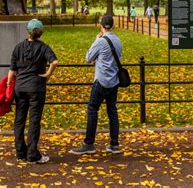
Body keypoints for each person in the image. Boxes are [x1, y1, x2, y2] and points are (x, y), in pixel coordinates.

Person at [7, 19, 58, 163]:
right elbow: (54, 62)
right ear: (41, 32)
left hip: (20, 88)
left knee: (19, 120)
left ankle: (20, 152)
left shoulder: (18, 47)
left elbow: (12, 70)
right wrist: (47, 75)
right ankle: (32, 154)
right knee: (34, 121)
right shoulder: (43, 48)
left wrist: (8, 85)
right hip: (36, 88)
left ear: (28, 32)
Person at [70, 14, 122, 155]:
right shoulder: (118, 40)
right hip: (114, 81)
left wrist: (95, 41)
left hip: (101, 81)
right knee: (112, 111)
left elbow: (88, 58)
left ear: (101, 25)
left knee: (92, 109)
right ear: (113, 25)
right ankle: (114, 144)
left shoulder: (101, 41)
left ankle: (89, 144)